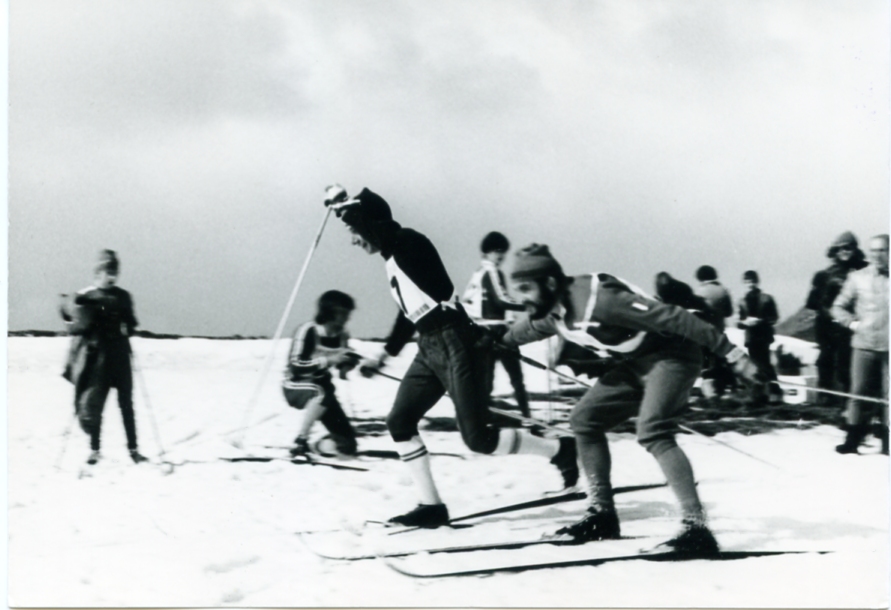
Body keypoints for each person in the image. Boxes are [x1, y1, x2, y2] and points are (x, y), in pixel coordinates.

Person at [326, 187, 578, 528]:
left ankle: (560, 451)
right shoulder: (390, 260)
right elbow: (409, 316)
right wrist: (383, 357)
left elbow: (378, 227)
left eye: (355, 232)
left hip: (457, 341)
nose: (355, 241)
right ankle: (430, 506)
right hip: (429, 346)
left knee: (478, 439)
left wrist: (343, 207)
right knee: (399, 422)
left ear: (369, 222)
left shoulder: (409, 241)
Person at [498, 244, 761, 554]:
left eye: (526, 288)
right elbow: (533, 327)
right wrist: (494, 340)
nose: (522, 298)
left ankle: (697, 528)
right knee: (584, 420)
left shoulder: (600, 301)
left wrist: (734, 355)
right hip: (638, 362)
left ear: (550, 283)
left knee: (654, 430)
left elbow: (675, 317)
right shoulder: (554, 308)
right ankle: (602, 516)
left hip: (674, 356)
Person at [59, 250, 147, 465]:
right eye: (108, 271)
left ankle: (133, 450)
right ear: (98, 272)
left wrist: (128, 327)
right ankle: (95, 450)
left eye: (115, 271)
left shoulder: (124, 296)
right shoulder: (88, 296)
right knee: (96, 404)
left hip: (121, 357)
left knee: (126, 404)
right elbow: (69, 313)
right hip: (99, 360)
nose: (112, 276)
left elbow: (133, 322)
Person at [282, 290, 361, 458]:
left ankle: (317, 446)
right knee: (321, 393)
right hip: (296, 385)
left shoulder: (342, 336)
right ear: (328, 311)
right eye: (343, 313)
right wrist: (330, 360)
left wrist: (347, 365)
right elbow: (296, 366)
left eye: (348, 314)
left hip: (323, 389)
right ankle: (300, 440)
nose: (347, 318)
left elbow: (341, 370)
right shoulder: (308, 330)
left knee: (348, 445)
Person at [831, 234, 889, 455]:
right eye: (873, 250)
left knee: (888, 395)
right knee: (857, 393)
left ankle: (887, 441)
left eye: (882, 250)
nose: (877, 255)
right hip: (863, 345)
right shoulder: (857, 278)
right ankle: (852, 439)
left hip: (889, 347)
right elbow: (838, 307)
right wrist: (853, 324)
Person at [461, 231, 530, 417]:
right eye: (497, 251)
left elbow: (467, 303)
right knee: (516, 379)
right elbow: (502, 300)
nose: (501, 255)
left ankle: (482, 419)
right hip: (497, 332)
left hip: (483, 332)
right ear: (488, 251)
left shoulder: (478, 272)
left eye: (503, 251)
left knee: (487, 381)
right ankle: (528, 420)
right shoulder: (492, 271)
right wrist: (531, 305)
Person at [806, 232, 868, 402]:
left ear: (855, 248)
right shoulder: (825, 275)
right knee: (825, 360)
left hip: (855, 326)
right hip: (828, 325)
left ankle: (850, 401)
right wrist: (831, 312)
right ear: (834, 251)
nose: (844, 251)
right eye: (839, 248)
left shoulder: (867, 271)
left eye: (847, 247)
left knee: (847, 363)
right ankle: (825, 396)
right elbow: (813, 303)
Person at [737, 270, 782, 406]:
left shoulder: (767, 298)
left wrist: (760, 321)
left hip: (763, 336)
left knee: (765, 365)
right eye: (746, 282)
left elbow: (774, 318)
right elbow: (738, 322)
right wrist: (744, 323)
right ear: (744, 283)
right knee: (756, 367)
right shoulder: (741, 301)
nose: (749, 284)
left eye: (751, 281)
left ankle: (773, 393)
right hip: (751, 337)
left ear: (756, 282)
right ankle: (761, 394)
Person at [694, 265, 737, 397]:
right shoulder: (723, 291)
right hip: (719, 332)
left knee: (706, 366)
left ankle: (712, 395)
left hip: (704, 334)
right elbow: (729, 312)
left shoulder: (700, 292)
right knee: (719, 363)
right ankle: (724, 391)